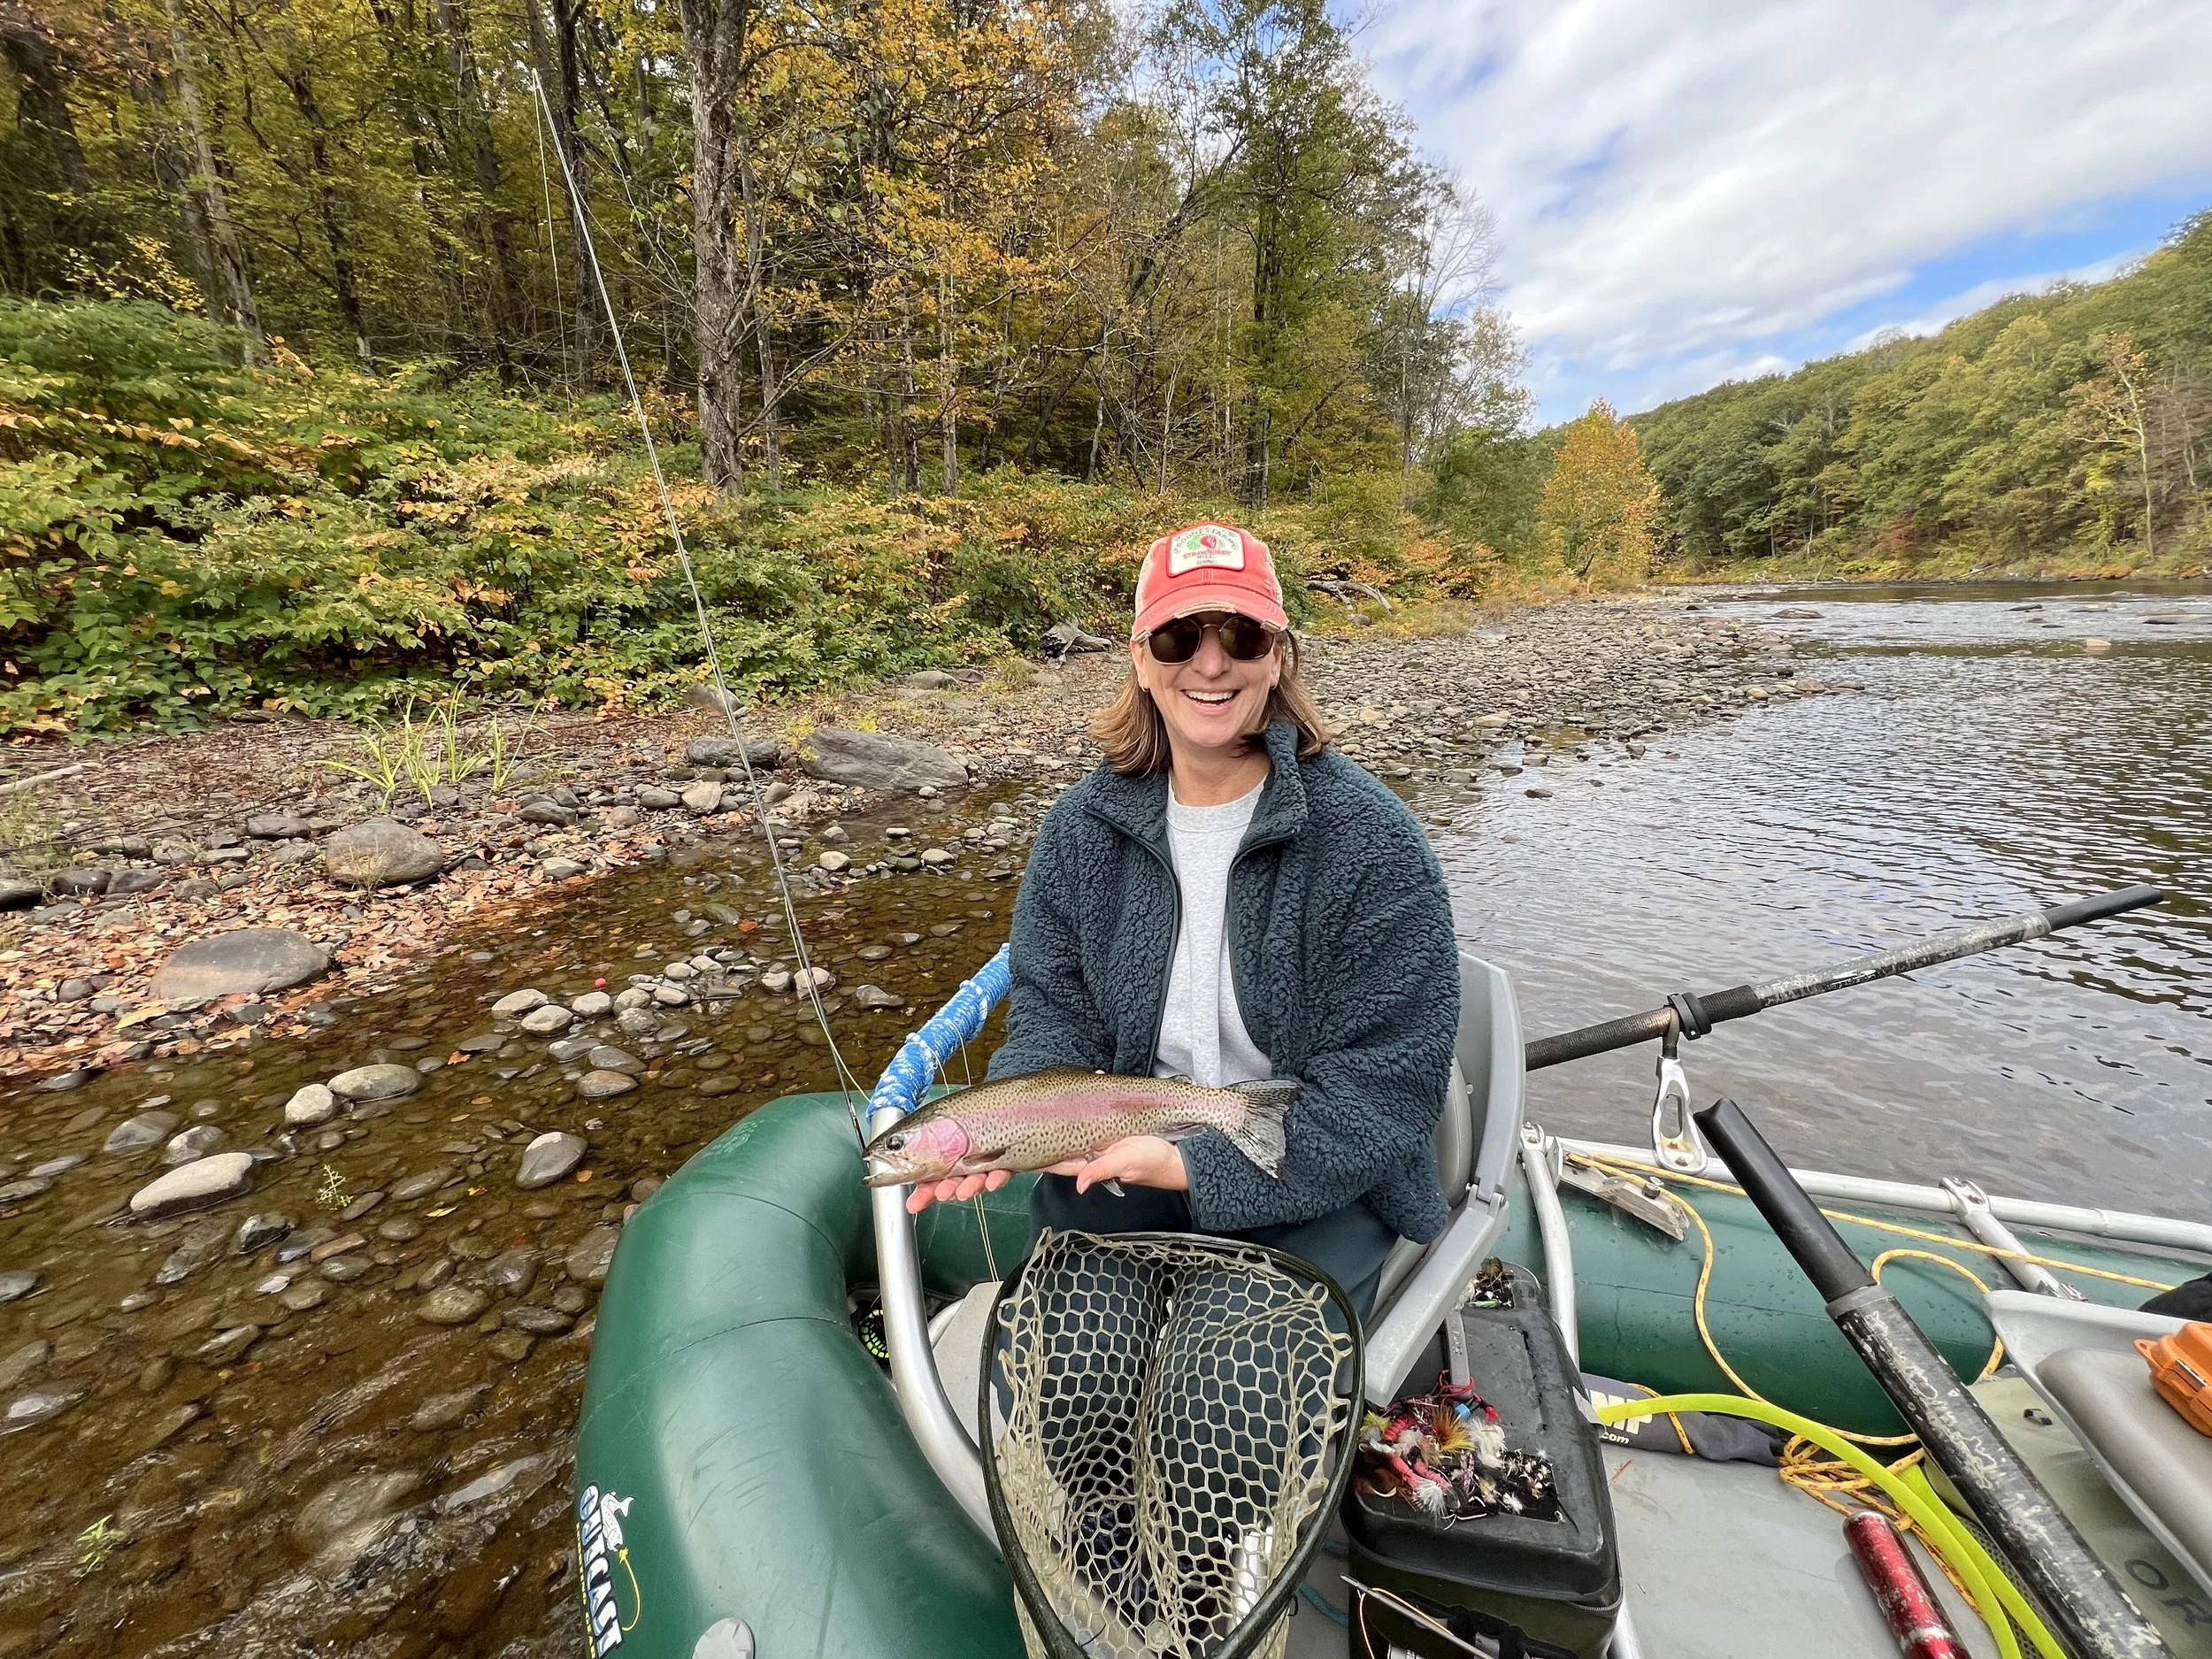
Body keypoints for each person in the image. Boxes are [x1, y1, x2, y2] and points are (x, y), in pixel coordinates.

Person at [907, 522, 1461, 1320]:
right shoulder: (1080, 829)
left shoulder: (1370, 839)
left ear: (1278, 656)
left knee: (1227, 1410)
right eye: (1177, 636)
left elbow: (1387, 1084)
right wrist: (1020, 1123)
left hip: (1315, 1171)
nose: (1209, 663)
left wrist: (1193, 1168)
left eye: (1240, 635)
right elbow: (1051, 1014)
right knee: (1067, 1393)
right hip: (1116, 1157)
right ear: (1139, 656)